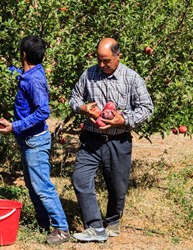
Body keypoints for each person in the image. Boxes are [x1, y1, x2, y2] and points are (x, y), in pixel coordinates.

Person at [69, 38, 154, 242]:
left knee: (117, 185)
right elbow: (74, 99)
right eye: (99, 59)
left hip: (119, 140)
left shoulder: (132, 78)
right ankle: (95, 227)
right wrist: (82, 108)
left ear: (118, 56)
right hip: (91, 139)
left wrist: (122, 120)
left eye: (106, 60)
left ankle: (113, 220)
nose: (101, 64)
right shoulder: (89, 74)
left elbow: (146, 108)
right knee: (80, 179)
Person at [0, 35, 70, 244]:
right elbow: (20, 75)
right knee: (32, 184)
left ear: (23, 54)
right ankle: (43, 222)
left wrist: (14, 126)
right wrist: (4, 67)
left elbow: (42, 112)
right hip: (27, 141)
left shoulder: (35, 80)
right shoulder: (29, 74)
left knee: (42, 186)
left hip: (35, 142)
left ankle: (62, 228)